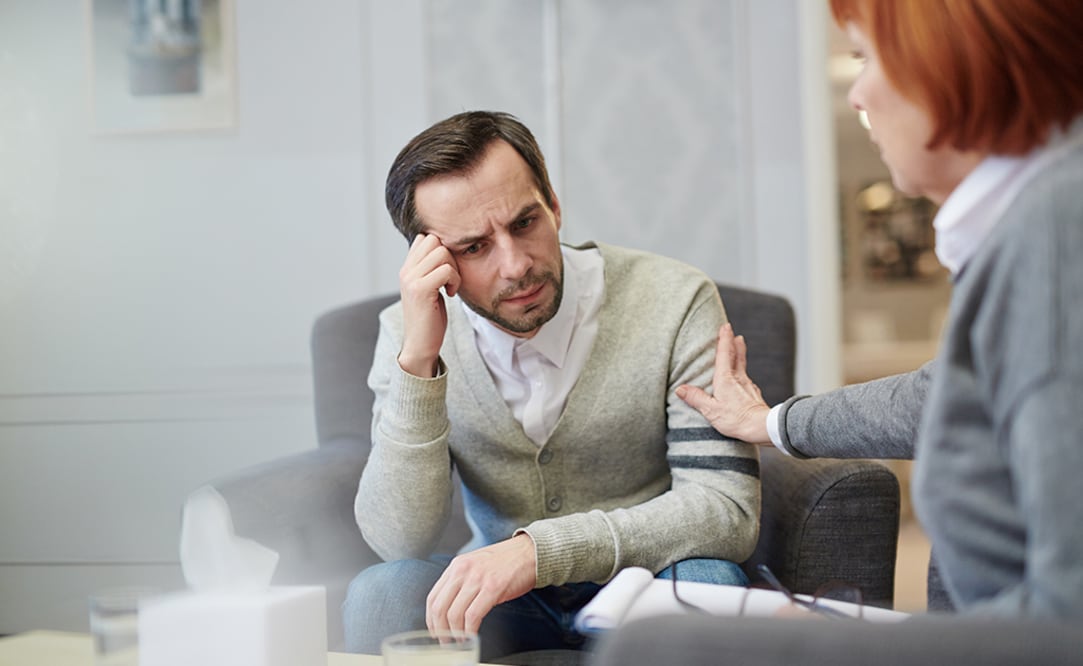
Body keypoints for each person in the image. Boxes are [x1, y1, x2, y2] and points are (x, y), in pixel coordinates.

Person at [678, 0, 1083, 618]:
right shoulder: (1032, 224)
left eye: (866, 56)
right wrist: (772, 423)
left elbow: (1064, 621)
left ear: (950, 56)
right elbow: (942, 396)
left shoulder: (1053, 239)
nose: (858, 94)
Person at [343, 110, 761, 659]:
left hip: (642, 579)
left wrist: (539, 553)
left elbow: (726, 511)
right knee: (382, 592)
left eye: (524, 223)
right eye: (474, 248)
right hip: (498, 604)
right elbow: (398, 540)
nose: (516, 265)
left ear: (554, 205)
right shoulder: (407, 334)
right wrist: (419, 362)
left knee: (711, 584)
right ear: (433, 257)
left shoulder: (676, 299)